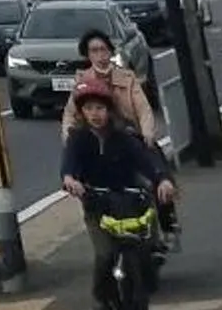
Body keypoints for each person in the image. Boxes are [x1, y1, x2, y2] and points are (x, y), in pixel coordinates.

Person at [61, 73, 177, 209]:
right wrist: (69, 179)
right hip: (96, 200)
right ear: (82, 112)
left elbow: (145, 159)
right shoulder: (77, 137)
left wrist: (163, 179)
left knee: (159, 201)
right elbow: (69, 162)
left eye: (100, 108)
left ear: (109, 110)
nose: (94, 114)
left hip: (129, 195)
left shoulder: (123, 135)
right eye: (88, 108)